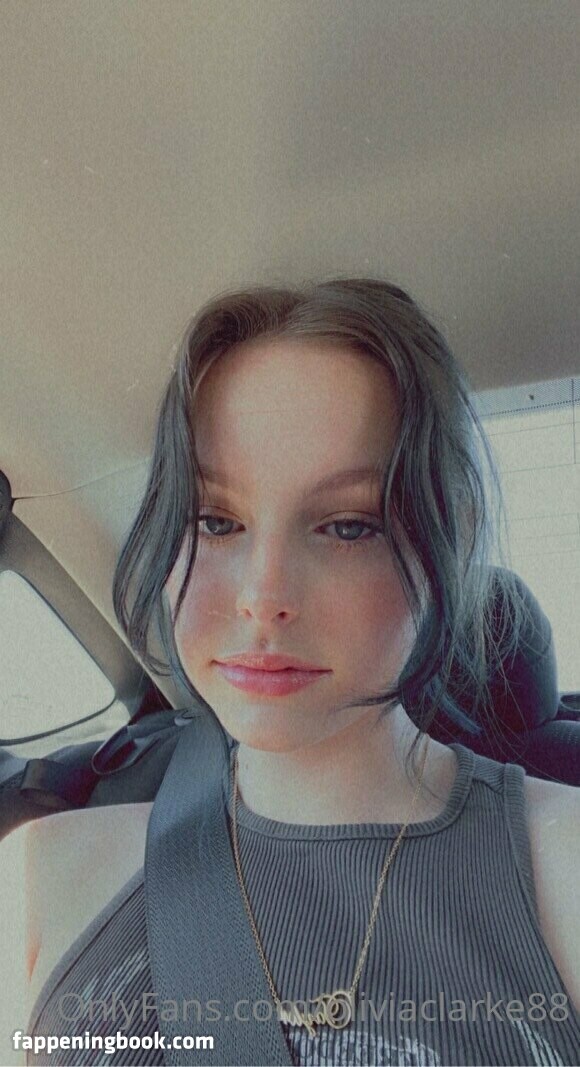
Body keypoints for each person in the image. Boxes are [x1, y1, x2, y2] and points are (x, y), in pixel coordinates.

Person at [23, 277, 579, 1066]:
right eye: (216, 520)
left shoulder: (566, 866)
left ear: (448, 540)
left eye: (347, 526)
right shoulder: (41, 875)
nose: (263, 595)